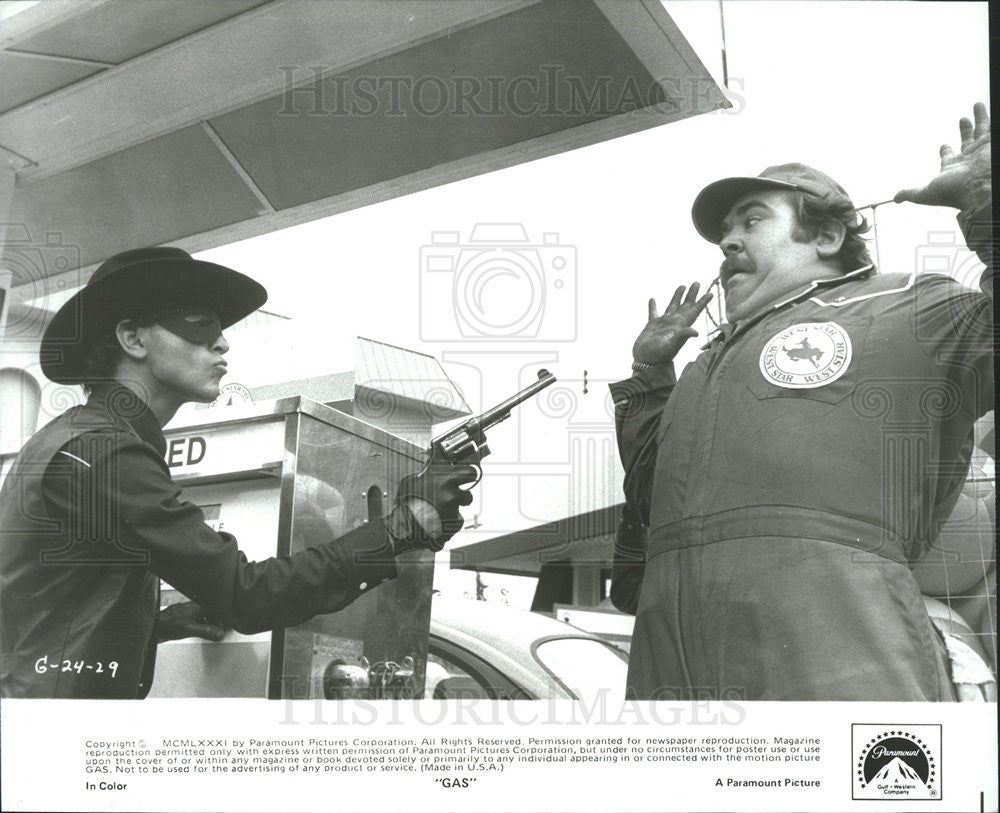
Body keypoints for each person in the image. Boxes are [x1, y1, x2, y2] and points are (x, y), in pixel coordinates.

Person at [610, 103, 993, 700]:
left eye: (751, 221)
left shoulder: (909, 306)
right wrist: (651, 375)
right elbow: (651, 498)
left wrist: (987, 205)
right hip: (672, 683)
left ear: (826, 235)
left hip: (836, 670)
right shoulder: (706, 360)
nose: (727, 242)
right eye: (723, 233)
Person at [0, 247, 477, 698]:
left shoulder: (72, 438)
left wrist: (164, 622)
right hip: (52, 736)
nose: (222, 342)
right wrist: (401, 527)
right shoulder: (107, 454)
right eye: (198, 324)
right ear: (133, 338)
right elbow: (246, 597)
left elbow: (49, 613)